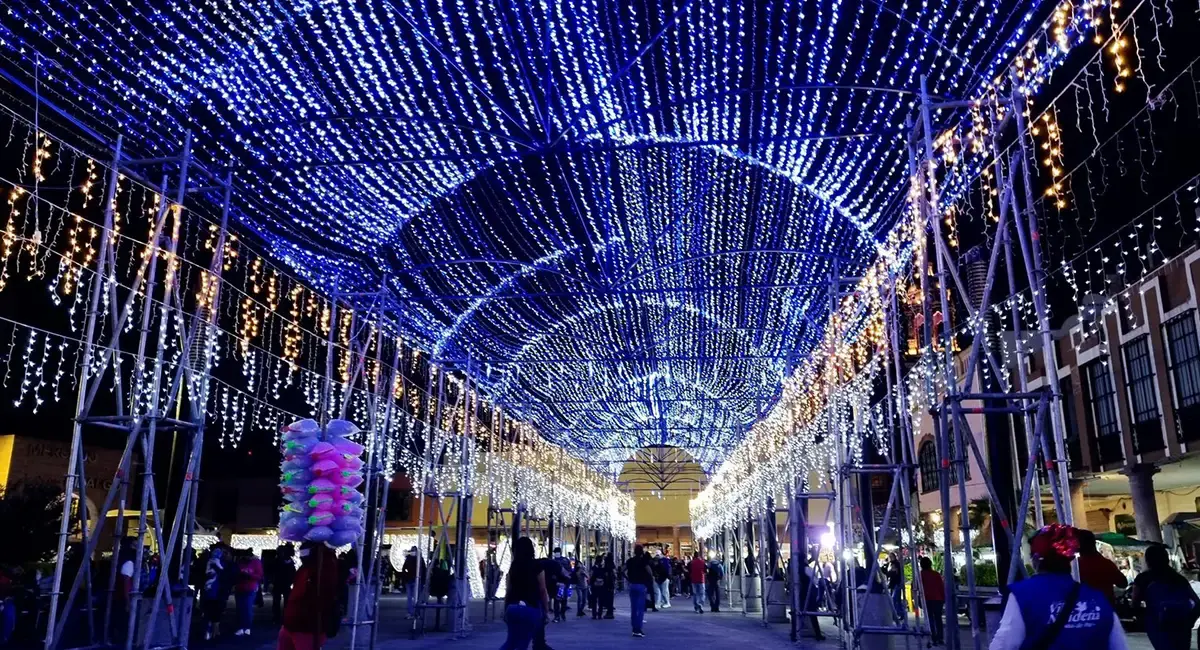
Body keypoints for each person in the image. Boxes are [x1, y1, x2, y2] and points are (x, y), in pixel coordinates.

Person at [991, 524, 1127, 650]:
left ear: (1036, 559)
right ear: (1070, 559)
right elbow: (1119, 645)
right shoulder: (1098, 599)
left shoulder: (1022, 595)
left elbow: (1004, 644)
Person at [1131, 543, 1200, 650]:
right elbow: (1197, 602)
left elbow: (1135, 604)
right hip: (1181, 625)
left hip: (1158, 625)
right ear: (1167, 559)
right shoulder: (1178, 578)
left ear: (1148, 560)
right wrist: (1190, 620)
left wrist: (1143, 620)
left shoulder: (1142, 579)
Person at [276, 543, 340, 650]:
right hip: (292, 622)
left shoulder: (324, 567)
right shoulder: (306, 567)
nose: (301, 556)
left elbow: (324, 596)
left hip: (307, 626)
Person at [498, 537, 549, 650]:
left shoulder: (514, 567)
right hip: (530, 608)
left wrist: (505, 608)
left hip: (513, 607)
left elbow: (509, 590)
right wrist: (545, 609)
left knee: (510, 642)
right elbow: (542, 590)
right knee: (523, 643)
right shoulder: (537, 566)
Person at [1077, 529, 1127, 605]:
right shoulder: (1106, 564)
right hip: (1107, 609)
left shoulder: (1075, 566)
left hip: (1084, 610)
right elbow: (1123, 583)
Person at [202, 543, 232, 640]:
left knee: (212, 611)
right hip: (216, 590)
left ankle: (210, 631)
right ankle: (212, 631)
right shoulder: (221, 564)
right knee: (214, 611)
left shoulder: (210, 562)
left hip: (212, 590)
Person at [625, 545, 655, 638]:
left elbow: (622, 570)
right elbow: (649, 572)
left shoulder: (630, 561)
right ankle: (638, 629)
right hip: (641, 585)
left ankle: (634, 628)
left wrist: (628, 579)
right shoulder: (643, 561)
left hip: (632, 585)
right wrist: (648, 582)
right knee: (640, 608)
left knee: (633, 608)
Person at [235, 551, 264, 637]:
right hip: (240, 587)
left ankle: (247, 627)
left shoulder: (256, 562)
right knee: (240, 608)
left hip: (250, 587)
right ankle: (241, 627)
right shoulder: (240, 561)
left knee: (247, 608)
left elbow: (259, 576)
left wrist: (249, 575)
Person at [918, 557, 945, 646]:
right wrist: (943, 598)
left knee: (930, 620)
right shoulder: (936, 574)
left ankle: (933, 638)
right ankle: (940, 637)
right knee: (938, 619)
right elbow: (941, 587)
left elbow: (916, 587)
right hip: (938, 599)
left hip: (927, 599)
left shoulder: (920, 575)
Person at [272, 545, 297, 625]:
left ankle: (278, 618)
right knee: (283, 601)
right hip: (283, 583)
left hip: (281, 583)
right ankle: (281, 617)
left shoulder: (279, 561)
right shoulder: (288, 561)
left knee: (279, 601)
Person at [400, 547, 424, 619]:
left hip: (410, 580)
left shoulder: (409, 559)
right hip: (415, 579)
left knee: (410, 597)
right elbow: (423, 570)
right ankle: (416, 613)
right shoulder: (420, 559)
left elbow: (404, 569)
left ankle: (411, 612)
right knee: (415, 597)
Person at [590, 554, 615, 619]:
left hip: (595, 586)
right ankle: (599, 614)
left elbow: (591, 577)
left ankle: (594, 614)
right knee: (600, 601)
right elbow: (606, 577)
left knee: (594, 601)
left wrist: (591, 583)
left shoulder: (593, 568)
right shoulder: (603, 569)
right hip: (602, 587)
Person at [885, 553, 905, 624]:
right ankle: (900, 613)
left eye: (891, 556)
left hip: (896, 583)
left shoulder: (895, 564)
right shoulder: (891, 564)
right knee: (896, 600)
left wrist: (888, 573)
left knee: (894, 599)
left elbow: (893, 573)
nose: (890, 558)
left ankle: (897, 614)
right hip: (894, 584)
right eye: (889, 556)